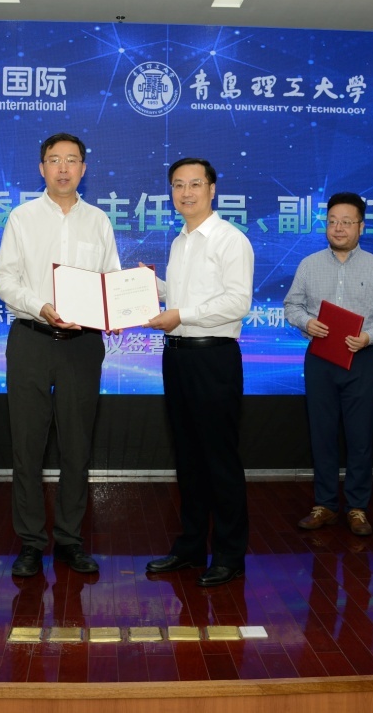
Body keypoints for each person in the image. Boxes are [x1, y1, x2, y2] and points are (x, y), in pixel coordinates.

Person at [0, 132, 120, 577]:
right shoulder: (22, 218)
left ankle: (69, 540)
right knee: (27, 446)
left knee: (76, 446)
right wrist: (40, 306)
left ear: (84, 168)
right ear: (41, 167)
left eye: (71, 160)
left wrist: (122, 303)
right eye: (54, 159)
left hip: (82, 345)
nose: (63, 168)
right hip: (31, 337)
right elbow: (3, 278)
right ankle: (30, 542)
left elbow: (110, 279)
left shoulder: (98, 221)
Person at [145, 158, 254, 587]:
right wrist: (151, 288)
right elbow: (182, 298)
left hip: (213, 358)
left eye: (195, 184)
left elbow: (236, 302)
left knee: (219, 459)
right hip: (177, 357)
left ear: (212, 189)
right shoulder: (180, 241)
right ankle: (191, 546)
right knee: (188, 458)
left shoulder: (230, 240)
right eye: (178, 185)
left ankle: (229, 553)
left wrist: (181, 314)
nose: (186, 192)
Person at [283, 192, 373, 536]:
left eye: (346, 222)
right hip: (320, 358)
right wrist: (307, 322)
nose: (338, 228)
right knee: (322, 433)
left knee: (360, 435)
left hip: (361, 358)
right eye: (332, 221)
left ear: (361, 227)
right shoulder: (309, 264)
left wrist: (369, 336)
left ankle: (357, 507)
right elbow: (291, 305)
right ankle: (324, 505)